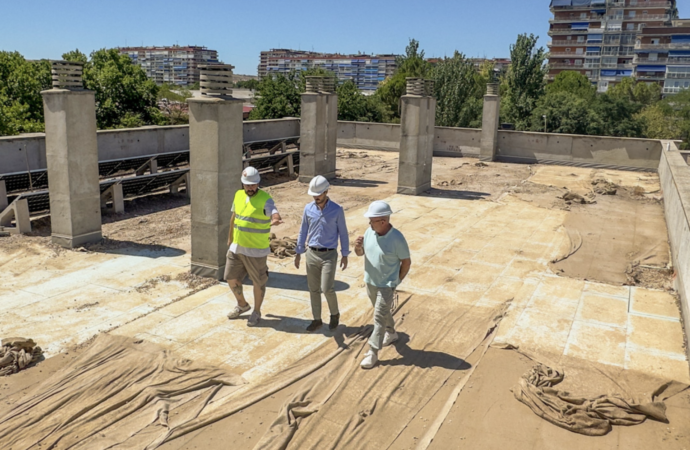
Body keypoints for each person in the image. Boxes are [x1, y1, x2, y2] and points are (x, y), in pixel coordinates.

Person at [355, 200, 411, 369]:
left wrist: (396, 281)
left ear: (383, 221)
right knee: (382, 312)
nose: (369, 224)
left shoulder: (397, 239)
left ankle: (372, 352)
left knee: (378, 317)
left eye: (372, 221)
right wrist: (357, 247)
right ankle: (392, 333)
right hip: (370, 282)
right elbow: (360, 253)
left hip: (386, 285)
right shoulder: (369, 233)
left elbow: (406, 262)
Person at [226, 167, 283, 326]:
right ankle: (242, 305)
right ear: (242, 184)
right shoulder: (238, 195)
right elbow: (234, 217)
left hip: (256, 250)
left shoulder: (266, 199)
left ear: (258, 183)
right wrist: (230, 238)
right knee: (231, 277)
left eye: (253, 184)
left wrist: (276, 218)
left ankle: (256, 311)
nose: (250, 188)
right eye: (247, 185)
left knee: (258, 282)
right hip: (237, 248)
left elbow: (274, 212)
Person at [295, 175, 350, 332]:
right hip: (311, 253)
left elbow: (343, 233)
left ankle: (334, 314)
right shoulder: (308, 209)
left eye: (318, 194)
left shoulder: (337, 210)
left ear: (326, 192)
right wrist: (299, 252)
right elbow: (303, 230)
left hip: (329, 255)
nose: (315, 197)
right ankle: (317, 319)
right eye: (314, 194)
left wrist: (345, 254)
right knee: (313, 289)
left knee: (327, 288)